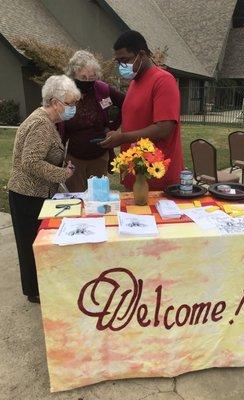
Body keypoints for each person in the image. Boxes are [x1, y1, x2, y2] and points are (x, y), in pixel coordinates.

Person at [8, 75, 80, 303]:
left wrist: (60, 164)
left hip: (34, 193)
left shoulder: (47, 121)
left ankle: (38, 288)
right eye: (70, 103)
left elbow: (40, 156)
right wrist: (62, 174)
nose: (73, 108)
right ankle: (36, 291)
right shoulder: (41, 124)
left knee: (34, 245)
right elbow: (30, 162)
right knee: (32, 246)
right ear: (55, 101)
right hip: (28, 194)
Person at [100, 30, 184, 191]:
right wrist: (116, 134)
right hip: (135, 174)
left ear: (142, 54)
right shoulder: (134, 83)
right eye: (118, 62)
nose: (121, 66)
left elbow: (164, 128)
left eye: (124, 60)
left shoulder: (163, 80)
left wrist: (123, 137)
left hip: (158, 178)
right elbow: (135, 120)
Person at [60, 50, 125, 192]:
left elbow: (126, 103)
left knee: (98, 198)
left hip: (99, 156)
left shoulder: (102, 89)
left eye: (92, 77)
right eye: (83, 77)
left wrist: (114, 127)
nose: (88, 81)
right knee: (77, 199)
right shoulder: (64, 92)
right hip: (74, 157)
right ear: (73, 75)